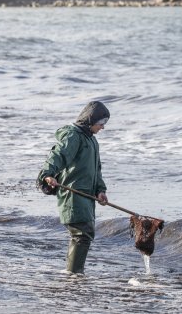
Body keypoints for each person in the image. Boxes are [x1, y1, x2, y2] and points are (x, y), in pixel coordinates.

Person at [37, 101, 110, 274]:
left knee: (84, 234)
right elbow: (58, 155)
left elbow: (96, 169)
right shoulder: (73, 136)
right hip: (72, 194)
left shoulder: (92, 141)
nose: (102, 127)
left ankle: (74, 274)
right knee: (81, 234)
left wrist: (101, 190)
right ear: (90, 120)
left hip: (87, 196)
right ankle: (73, 276)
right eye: (101, 123)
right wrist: (47, 174)